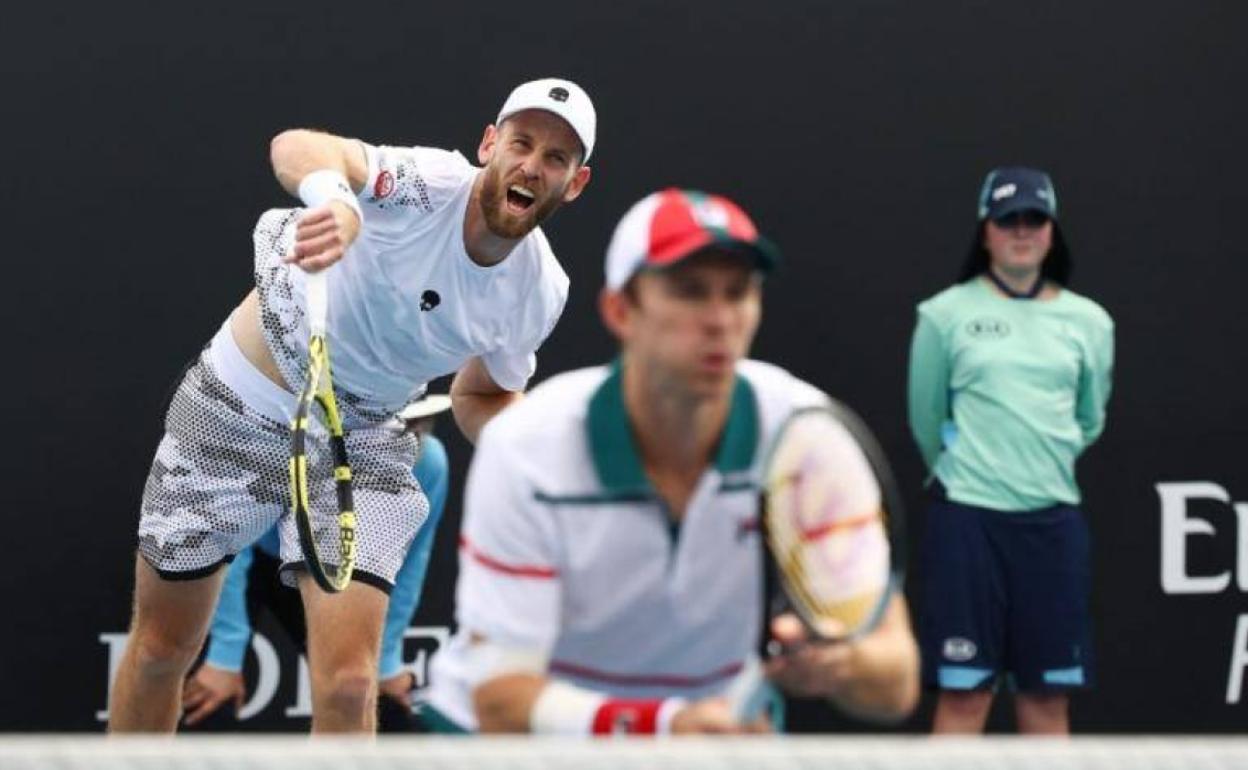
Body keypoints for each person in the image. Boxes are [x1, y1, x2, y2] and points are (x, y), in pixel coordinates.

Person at [110, 77, 596, 733]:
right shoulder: (424, 183)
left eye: (556, 159)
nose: (533, 165)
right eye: (522, 143)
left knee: (348, 683)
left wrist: (541, 452)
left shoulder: (539, 291)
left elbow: (480, 393)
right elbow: (297, 146)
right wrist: (335, 200)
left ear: (574, 183)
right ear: (490, 145)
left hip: (359, 438)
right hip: (240, 401)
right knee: (163, 651)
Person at [422, 188, 920, 735]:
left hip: (711, 723)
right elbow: (501, 703)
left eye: (738, 293)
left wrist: (838, 665)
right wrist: (663, 728)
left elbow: (894, 682)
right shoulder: (527, 446)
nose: (720, 319)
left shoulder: (805, 435)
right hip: (520, 736)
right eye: (690, 291)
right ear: (621, 310)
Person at [907, 167, 1114, 734]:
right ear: (985, 232)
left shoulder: (1089, 322)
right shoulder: (943, 314)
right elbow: (927, 419)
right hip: (969, 525)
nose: (1021, 231)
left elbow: (1088, 418)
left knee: (1047, 700)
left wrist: (1039, 462)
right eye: (1008, 220)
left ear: (1052, 231)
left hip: (1051, 528)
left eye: (1034, 219)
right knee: (964, 698)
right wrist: (967, 470)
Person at [181, 397, 452, 729]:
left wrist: (385, 662)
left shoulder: (430, 463)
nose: (411, 434)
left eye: (417, 424)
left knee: (380, 707)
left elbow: (409, 564)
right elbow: (232, 545)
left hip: (330, 569)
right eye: (397, 425)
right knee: (207, 701)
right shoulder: (282, 443)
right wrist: (224, 657)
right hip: (238, 559)